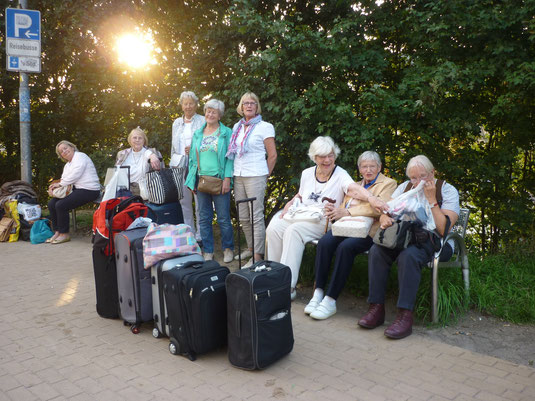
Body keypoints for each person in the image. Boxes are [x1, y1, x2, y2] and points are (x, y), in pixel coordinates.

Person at [265, 136, 387, 300]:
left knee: (293, 231)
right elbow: (301, 194)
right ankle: (274, 277)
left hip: (324, 220)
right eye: (322, 156)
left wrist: (371, 198)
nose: (327, 160)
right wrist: (291, 202)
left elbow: (354, 189)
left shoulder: (340, 174)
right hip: (303, 214)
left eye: (330, 155)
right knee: (274, 226)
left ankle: (287, 287)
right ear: (314, 157)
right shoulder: (307, 173)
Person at [358, 155, 459, 339]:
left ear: (432, 173)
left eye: (423, 176)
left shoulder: (447, 190)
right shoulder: (404, 188)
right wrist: (384, 218)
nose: (418, 182)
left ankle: (405, 316)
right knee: (377, 251)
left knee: (408, 256)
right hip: (404, 237)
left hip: (435, 242)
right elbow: (387, 210)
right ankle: (376, 308)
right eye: (413, 177)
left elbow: (443, 229)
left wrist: (431, 200)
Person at [305, 151, 397, 320]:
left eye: (372, 166)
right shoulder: (354, 185)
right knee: (325, 242)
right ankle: (317, 293)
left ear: (379, 167)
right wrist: (336, 211)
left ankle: (330, 299)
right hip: (346, 227)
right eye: (364, 166)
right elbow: (342, 205)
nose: (368, 170)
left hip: (368, 232)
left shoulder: (388, 183)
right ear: (359, 168)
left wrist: (347, 211)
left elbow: (379, 208)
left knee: (345, 248)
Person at [227, 92, 277, 267]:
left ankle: (257, 256)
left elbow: (272, 156)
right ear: (241, 107)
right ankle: (250, 246)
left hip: (256, 175)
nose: (249, 106)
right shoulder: (237, 127)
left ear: (257, 107)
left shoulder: (265, 126)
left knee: (256, 217)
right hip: (238, 174)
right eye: (245, 103)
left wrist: (264, 175)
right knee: (243, 216)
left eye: (252, 103)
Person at [184, 99, 234, 263]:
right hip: (202, 180)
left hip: (220, 180)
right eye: (208, 111)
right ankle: (208, 251)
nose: (210, 114)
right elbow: (192, 159)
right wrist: (192, 181)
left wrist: (227, 178)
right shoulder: (198, 133)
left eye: (214, 112)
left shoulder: (226, 132)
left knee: (223, 218)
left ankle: (228, 249)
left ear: (219, 115)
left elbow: (230, 158)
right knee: (204, 217)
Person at [47, 141, 101, 244]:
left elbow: (76, 174)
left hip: (90, 189)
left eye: (66, 148)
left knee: (61, 205)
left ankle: (65, 234)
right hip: (77, 189)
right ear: (61, 156)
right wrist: (54, 187)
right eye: (61, 151)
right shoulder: (67, 165)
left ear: (72, 147)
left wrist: (60, 184)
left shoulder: (80, 156)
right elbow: (65, 179)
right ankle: (58, 231)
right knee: (51, 203)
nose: (64, 151)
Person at [171, 91, 206, 243]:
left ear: (196, 104)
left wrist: (193, 148)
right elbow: (173, 146)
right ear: (181, 105)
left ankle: (201, 235)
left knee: (200, 202)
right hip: (179, 165)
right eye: (185, 103)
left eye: (191, 103)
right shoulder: (176, 123)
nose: (188, 106)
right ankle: (189, 233)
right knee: (184, 202)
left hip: (197, 166)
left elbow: (208, 142)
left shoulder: (203, 120)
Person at [115, 127, 162, 197]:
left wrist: (152, 156)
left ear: (144, 141)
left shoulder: (151, 153)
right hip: (125, 191)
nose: (137, 140)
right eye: (134, 138)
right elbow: (116, 174)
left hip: (146, 192)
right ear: (130, 140)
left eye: (140, 138)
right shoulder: (122, 154)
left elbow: (160, 172)